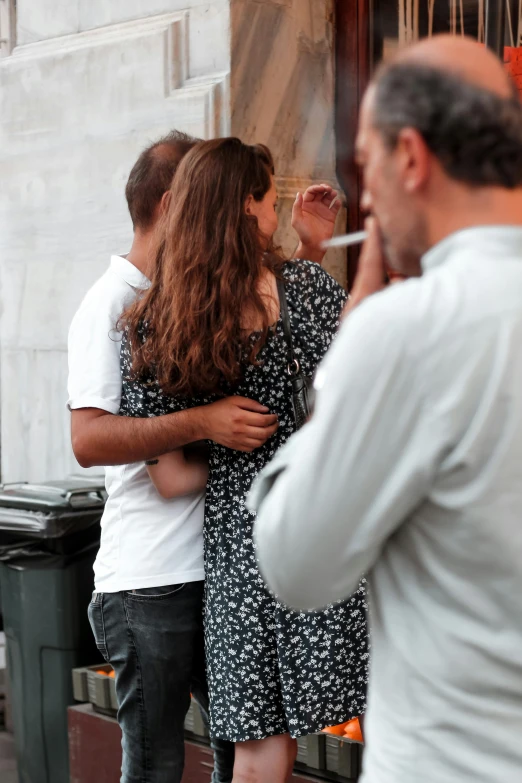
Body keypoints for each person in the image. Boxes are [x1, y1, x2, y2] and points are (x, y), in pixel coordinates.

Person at [251, 35, 522, 783]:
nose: (366, 202)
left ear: (411, 157)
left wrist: (353, 347)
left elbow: (295, 562)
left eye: (367, 167)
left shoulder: (408, 329)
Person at [68, 130, 343, 783]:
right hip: (152, 578)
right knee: (160, 762)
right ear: (175, 201)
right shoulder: (116, 304)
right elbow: (89, 439)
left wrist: (307, 252)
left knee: (241, 742)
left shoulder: (194, 297)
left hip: (222, 566)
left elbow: (283, 330)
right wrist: (206, 422)